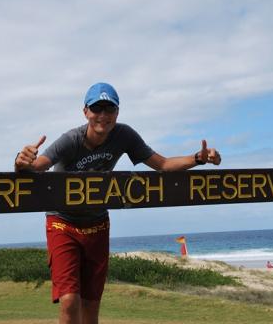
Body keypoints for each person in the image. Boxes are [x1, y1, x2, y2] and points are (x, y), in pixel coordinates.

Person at [15, 82, 222, 324]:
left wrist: (198, 158)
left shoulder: (124, 135)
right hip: (63, 223)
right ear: (85, 112)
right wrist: (22, 162)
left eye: (109, 109)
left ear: (117, 113)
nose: (103, 116)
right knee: (70, 300)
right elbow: (37, 167)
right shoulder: (71, 139)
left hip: (97, 224)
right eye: (96, 108)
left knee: (91, 305)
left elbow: (163, 165)